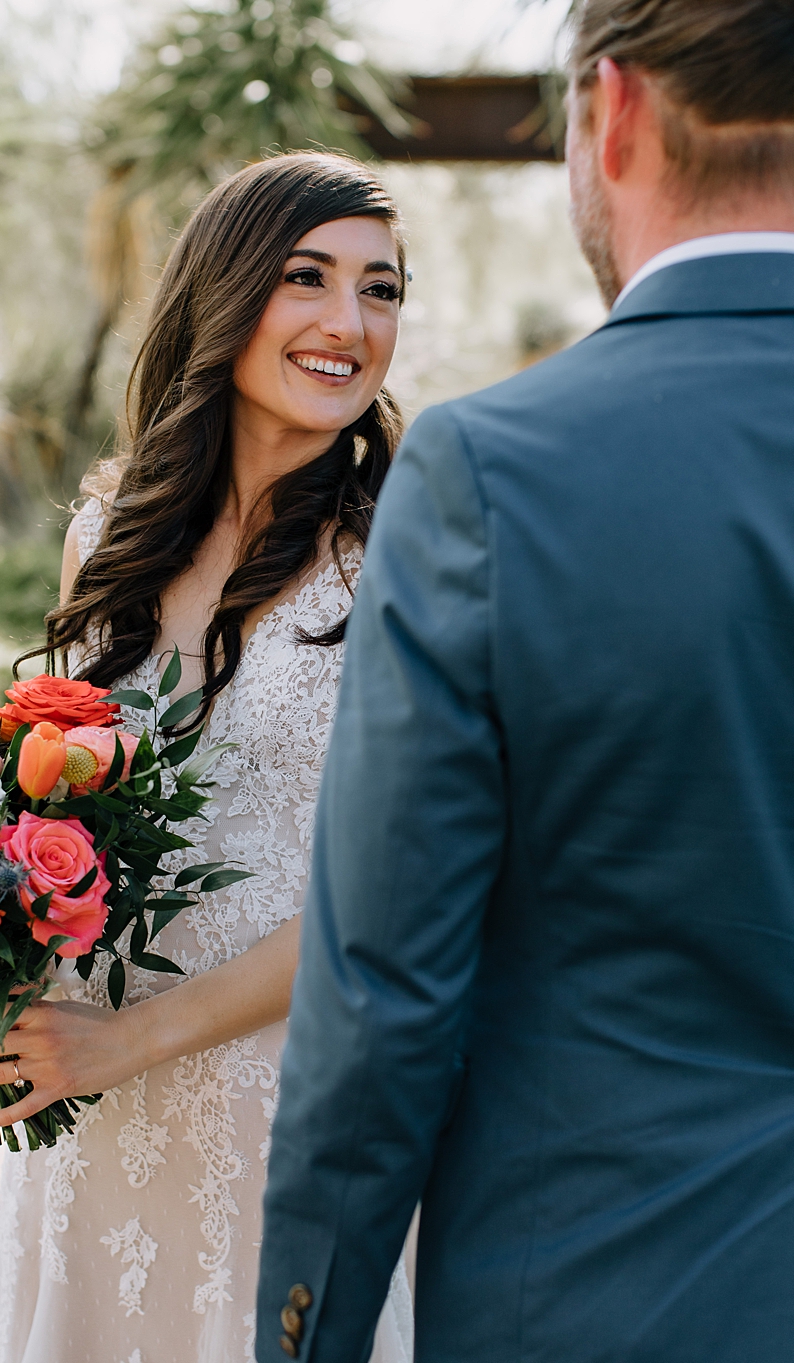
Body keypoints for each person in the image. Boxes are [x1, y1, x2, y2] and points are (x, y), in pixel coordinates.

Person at [254, 2, 794, 1359]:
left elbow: (383, 995)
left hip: (604, 1296)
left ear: (612, 112)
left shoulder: (494, 472)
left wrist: (301, 1335)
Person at [0, 152, 415, 1363]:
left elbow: (395, 894)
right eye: (305, 278)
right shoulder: (107, 537)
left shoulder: (409, 553)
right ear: (224, 290)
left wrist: (129, 1040)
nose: (347, 323)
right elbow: (49, 823)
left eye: (381, 289)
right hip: (91, 1116)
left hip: (287, 1105)